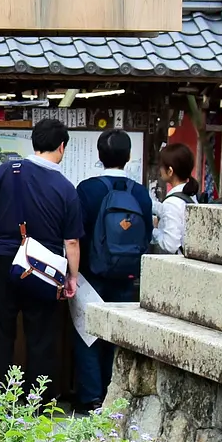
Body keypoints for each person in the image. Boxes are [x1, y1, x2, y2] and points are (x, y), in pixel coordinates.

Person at [0, 118, 83, 405]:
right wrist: (72, 277)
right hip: (43, 270)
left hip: (3, 260)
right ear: (61, 147)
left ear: (35, 142)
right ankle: (36, 403)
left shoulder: (6, 171)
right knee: (41, 336)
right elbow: (72, 242)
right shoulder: (66, 188)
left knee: (0, 332)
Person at [71, 129, 154, 410]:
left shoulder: (87, 189)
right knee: (118, 335)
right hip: (127, 275)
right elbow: (146, 235)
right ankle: (114, 395)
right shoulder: (140, 193)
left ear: (99, 155)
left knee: (87, 334)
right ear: (129, 156)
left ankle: (91, 397)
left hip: (91, 273)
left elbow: (77, 232)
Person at [152, 141, 200, 255]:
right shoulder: (191, 195)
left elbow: (170, 245)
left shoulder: (172, 202)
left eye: (161, 166)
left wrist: (153, 231)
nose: (160, 170)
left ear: (170, 171)